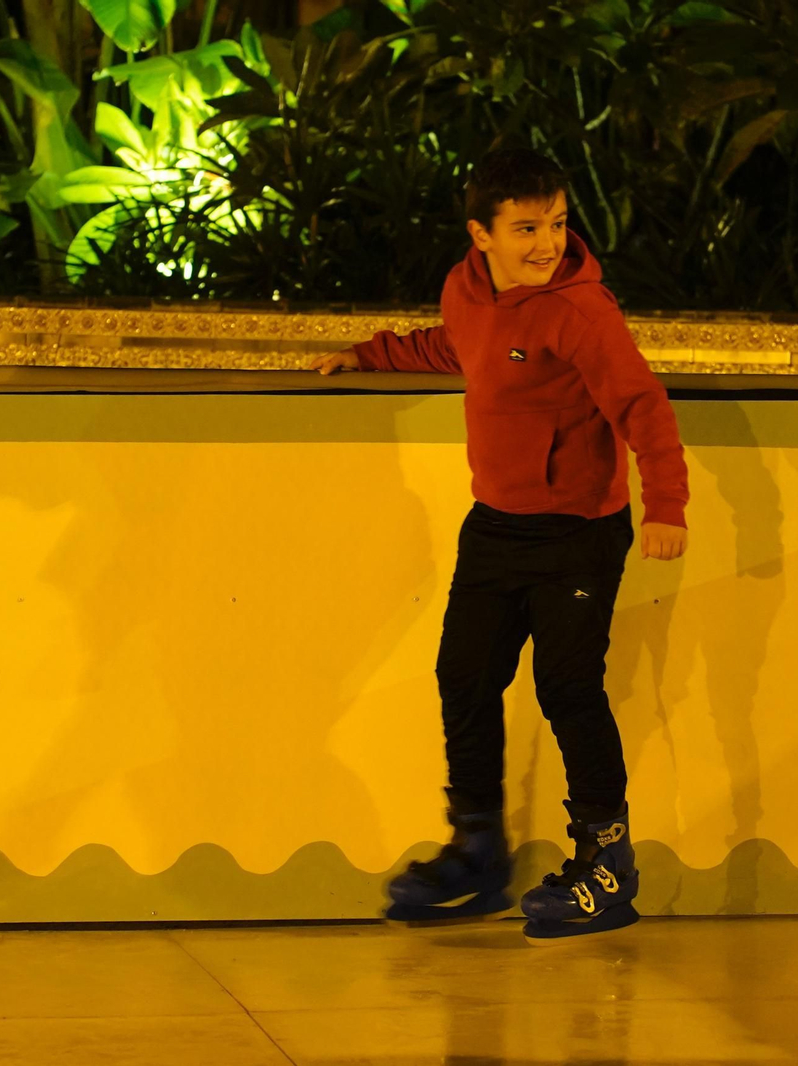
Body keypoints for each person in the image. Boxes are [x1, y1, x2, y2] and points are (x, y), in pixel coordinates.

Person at [310, 148, 689, 941]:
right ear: (481, 234)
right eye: (526, 228)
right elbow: (458, 344)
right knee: (465, 676)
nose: (546, 242)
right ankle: (478, 848)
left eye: (555, 223)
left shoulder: (581, 311)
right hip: (498, 521)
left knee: (566, 686)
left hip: (580, 526)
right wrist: (368, 353)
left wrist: (666, 505)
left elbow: (642, 405)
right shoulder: (465, 288)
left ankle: (607, 865)